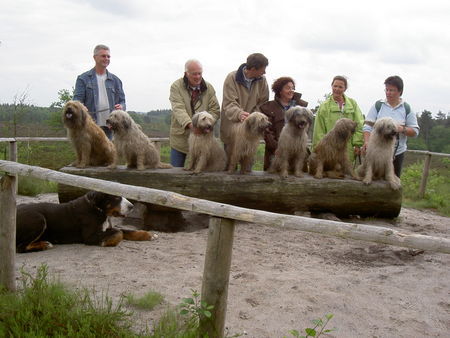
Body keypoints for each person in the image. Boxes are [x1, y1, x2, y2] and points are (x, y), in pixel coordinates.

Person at [363, 75, 419, 177]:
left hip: (397, 153)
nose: (388, 93)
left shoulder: (406, 108)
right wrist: (367, 142)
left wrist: (402, 129)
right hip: (375, 151)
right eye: (387, 90)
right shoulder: (378, 106)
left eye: (392, 90)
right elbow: (367, 126)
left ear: (400, 91)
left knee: (392, 184)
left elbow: (415, 132)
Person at [169, 59, 220, 167]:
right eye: (194, 74)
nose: (197, 77)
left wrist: (207, 124)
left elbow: (215, 110)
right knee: (175, 174)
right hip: (180, 139)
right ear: (186, 74)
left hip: (204, 140)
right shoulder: (176, 87)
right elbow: (178, 109)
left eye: (199, 73)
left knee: (201, 174)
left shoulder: (209, 88)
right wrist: (191, 125)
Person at [73, 44, 125, 140]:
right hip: (89, 127)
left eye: (108, 56)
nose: (106, 58)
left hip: (110, 128)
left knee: (109, 155)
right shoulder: (83, 79)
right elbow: (76, 101)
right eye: (103, 56)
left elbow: (122, 102)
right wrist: (81, 106)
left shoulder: (116, 80)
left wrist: (121, 106)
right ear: (95, 57)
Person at [220, 53, 270, 148]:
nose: (264, 72)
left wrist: (253, 117)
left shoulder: (262, 81)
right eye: (263, 69)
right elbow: (229, 102)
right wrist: (239, 114)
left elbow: (263, 103)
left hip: (252, 131)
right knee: (229, 160)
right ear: (253, 69)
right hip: (232, 129)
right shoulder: (232, 78)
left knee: (248, 161)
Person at [312, 75, 364, 163]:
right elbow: (318, 130)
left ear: (345, 89)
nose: (337, 89)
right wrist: (319, 149)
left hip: (348, 150)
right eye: (335, 86)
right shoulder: (324, 106)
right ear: (331, 86)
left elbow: (359, 124)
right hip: (329, 150)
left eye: (340, 87)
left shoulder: (353, 104)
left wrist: (357, 144)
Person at [259, 77, 308, 170]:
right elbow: (267, 131)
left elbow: (306, 127)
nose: (291, 90)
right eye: (287, 88)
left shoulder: (302, 107)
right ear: (279, 91)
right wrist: (277, 148)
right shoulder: (268, 107)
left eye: (292, 88)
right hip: (276, 153)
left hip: (298, 154)